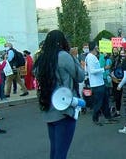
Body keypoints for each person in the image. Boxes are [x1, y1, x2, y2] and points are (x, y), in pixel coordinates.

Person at [33, 30, 85, 159]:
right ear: (62, 41)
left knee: (55, 150)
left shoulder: (42, 58)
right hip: (64, 109)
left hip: (49, 109)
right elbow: (80, 76)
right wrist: (74, 57)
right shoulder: (63, 56)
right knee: (61, 153)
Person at [85, 41, 115, 126]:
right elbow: (92, 71)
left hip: (100, 83)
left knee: (105, 101)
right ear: (94, 47)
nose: (98, 48)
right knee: (98, 103)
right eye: (97, 46)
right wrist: (104, 68)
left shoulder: (93, 57)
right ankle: (95, 119)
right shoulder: (90, 57)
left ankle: (108, 117)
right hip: (96, 85)